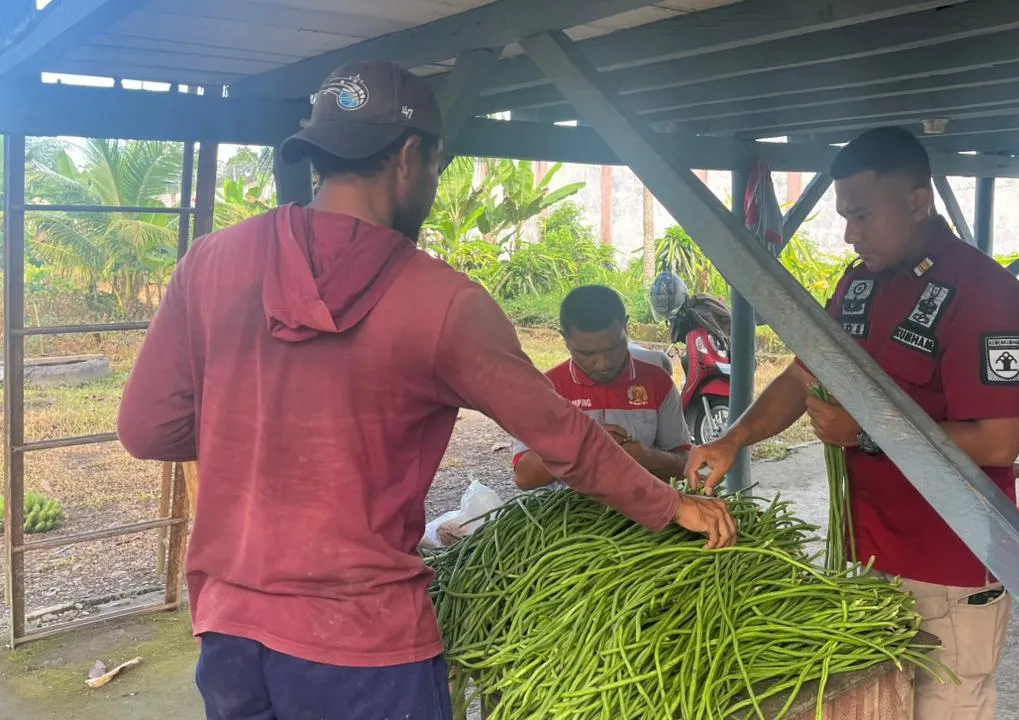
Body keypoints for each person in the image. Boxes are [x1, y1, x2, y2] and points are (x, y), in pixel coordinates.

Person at [116, 60, 736, 720]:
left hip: (231, 633)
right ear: (412, 157)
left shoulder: (210, 262)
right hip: (364, 645)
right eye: (439, 168)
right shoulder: (443, 303)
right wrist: (670, 506)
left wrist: (254, 431)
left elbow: (146, 429)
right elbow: (563, 439)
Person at [685, 126, 1019, 720]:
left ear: (918, 201)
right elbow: (802, 376)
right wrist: (732, 439)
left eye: (863, 216)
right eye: (845, 217)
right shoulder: (859, 284)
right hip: (868, 555)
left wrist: (867, 433)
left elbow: (999, 442)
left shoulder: (984, 294)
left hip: (949, 564)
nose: (850, 234)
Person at [513, 285, 691, 490]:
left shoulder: (657, 383)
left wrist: (650, 458)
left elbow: (685, 462)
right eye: (587, 354)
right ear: (565, 340)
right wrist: (584, 446)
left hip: (642, 513)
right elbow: (524, 477)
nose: (603, 363)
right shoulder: (546, 391)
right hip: (568, 514)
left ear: (626, 327)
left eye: (613, 348)